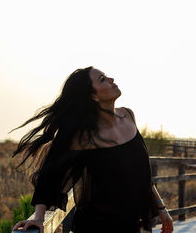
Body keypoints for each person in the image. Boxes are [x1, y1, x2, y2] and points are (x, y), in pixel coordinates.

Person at [11, 66, 174, 233]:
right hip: (97, 225)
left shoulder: (128, 116)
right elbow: (49, 174)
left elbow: (142, 172)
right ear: (93, 96)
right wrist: (38, 218)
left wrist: (161, 208)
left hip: (131, 224)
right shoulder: (82, 137)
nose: (111, 79)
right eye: (102, 79)